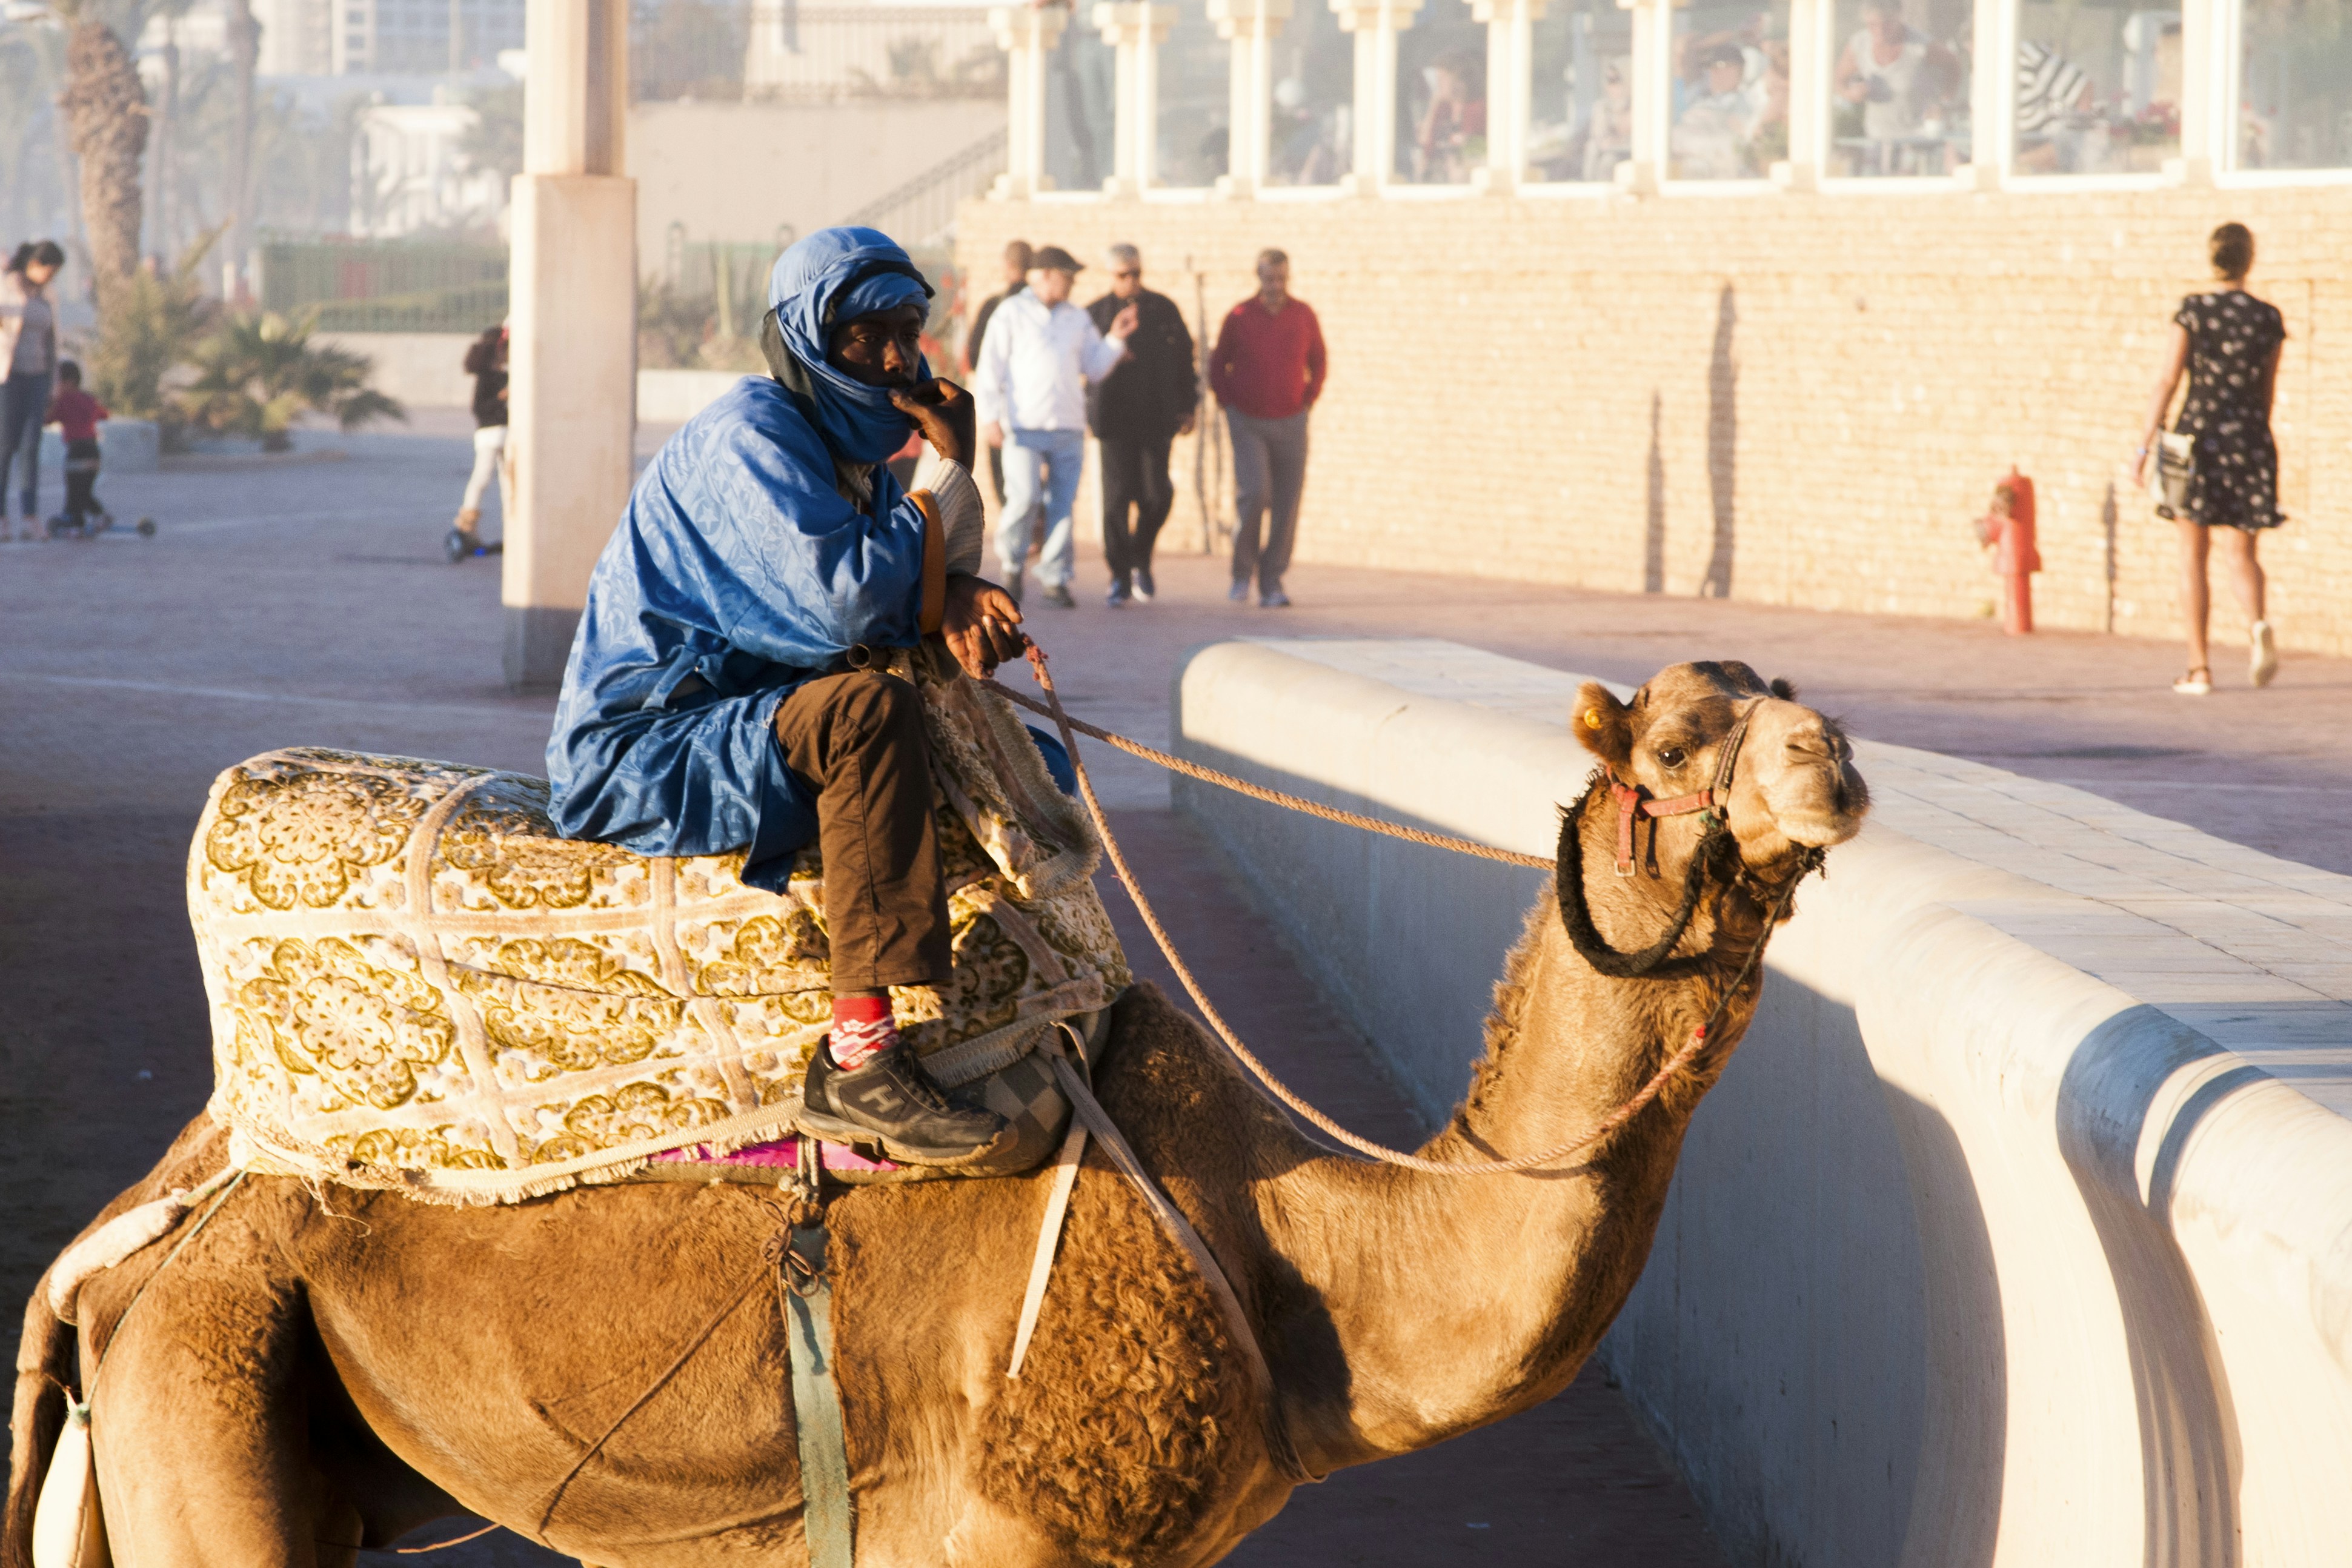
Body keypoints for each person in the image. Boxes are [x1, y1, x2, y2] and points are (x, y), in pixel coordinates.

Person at [546, 226, 1031, 1166]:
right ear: (806, 340)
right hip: (648, 747)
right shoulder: (752, 439)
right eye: (864, 337)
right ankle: (859, 1062)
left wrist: (958, 589)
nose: (896, 358)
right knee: (867, 713)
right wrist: (945, 473)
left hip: (732, 723)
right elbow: (848, 601)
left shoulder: (838, 455)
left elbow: (903, 579)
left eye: (908, 329)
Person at [2131, 222, 2285, 697]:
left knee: (2191, 555)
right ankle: (2257, 622)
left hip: (2196, 442)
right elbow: (2267, 392)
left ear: (2212, 258)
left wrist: (2142, 446)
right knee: (2242, 553)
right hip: (2251, 440)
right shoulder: (2267, 318)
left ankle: (2199, 669)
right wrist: (2253, 435)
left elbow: (2167, 381)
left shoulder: (2194, 311)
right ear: (2250, 259)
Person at [972, 244, 1137, 609]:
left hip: (1068, 426)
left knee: (1063, 505)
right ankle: (1013, 566)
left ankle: (1056, 577)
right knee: (1025, 497)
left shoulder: (1076, 318)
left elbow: (1094, 367)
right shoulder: (1011, 313)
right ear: (1045, 275)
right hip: (1022, 426)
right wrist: (989, 418)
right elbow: (990, 369)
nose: (1073, 283)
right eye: (1068, 276)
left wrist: (1116, 338)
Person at [1208, 247, 1324, 607]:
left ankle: (1273, 580)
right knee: (1255, 492)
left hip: (1291, 420)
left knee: (1287, 501)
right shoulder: (1241, 315)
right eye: (1268, 278)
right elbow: (1218, 363)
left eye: (1281, 279)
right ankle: (1242, 573)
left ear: (1288, 278)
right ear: (1258, 277)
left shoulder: (1303, 315)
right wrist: (1228, 403)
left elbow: (1318, 360)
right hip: (1248, 421)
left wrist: (1307, 399)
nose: (1275, 286)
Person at [1086, 244, 1195, 606]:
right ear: (1111, 276)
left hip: (1156, 418)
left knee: (1157, 494)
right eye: (1123, 275)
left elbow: (1184, 359)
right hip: (1114, 421)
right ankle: (1119, 575)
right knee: (1117, 498)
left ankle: (1140, 559)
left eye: (1136, 273)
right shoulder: (1097, 314)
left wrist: (1187, 405)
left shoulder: (1162, 309)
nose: (1131, 281)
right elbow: (1085, 364)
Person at [1833, 2, 1961, 174]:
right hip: (1875, 139)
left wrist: (1944, 102)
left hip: (1918, 140)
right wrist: (1852, 93)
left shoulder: (1920, 45)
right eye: (1872, 25)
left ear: (1899, 18)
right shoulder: (1859, 45)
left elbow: (1954, 66)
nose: (1879, 30)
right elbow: (1839, 81)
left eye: (1886, 24)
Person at [2, 240, 65, 542]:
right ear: (34, 264)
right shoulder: (6, 288)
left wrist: (53, 382)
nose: (51, 277)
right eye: (49, 270)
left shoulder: (47, 297)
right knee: (5, 447)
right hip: (8, 377)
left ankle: (30, 517)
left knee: (31, 447)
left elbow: (53, 342)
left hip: (38, 376)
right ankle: (1, 518)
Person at [962, 238, 1033, 506]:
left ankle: (1018, 539)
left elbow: (974, 357)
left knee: (1005, 480)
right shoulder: (1044, 305)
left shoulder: (995, 306)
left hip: (1003, 408)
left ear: (1008, 265)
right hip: (1039, 410)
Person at [451, 322, 508, 554]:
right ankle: (466, 523)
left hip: (505, 435)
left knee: (508, 481)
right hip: (490, 434)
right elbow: (480, 408)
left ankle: (512, 528)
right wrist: (502, 398)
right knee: (482, 477)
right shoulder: (487, 378)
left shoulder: (503, 376)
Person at [1672, 43, 1763, 179]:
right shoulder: (1696, 97)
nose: (1719, 73)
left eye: (1728, 67)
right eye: (1714, 68)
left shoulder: (1746, 102)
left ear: (1741, 71)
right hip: (1683, 163)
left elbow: (1744, 135)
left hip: (1719, 170)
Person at [44, 359, 107, 534]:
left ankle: (76, 523)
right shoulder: (89, 398)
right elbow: (103, 414)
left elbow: (47, 419)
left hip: (76, 451)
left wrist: (48, 403)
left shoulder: (64, 400)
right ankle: (99, 515)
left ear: (68, 382)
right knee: (85, 490)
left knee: (74, 490)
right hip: (93, 452)